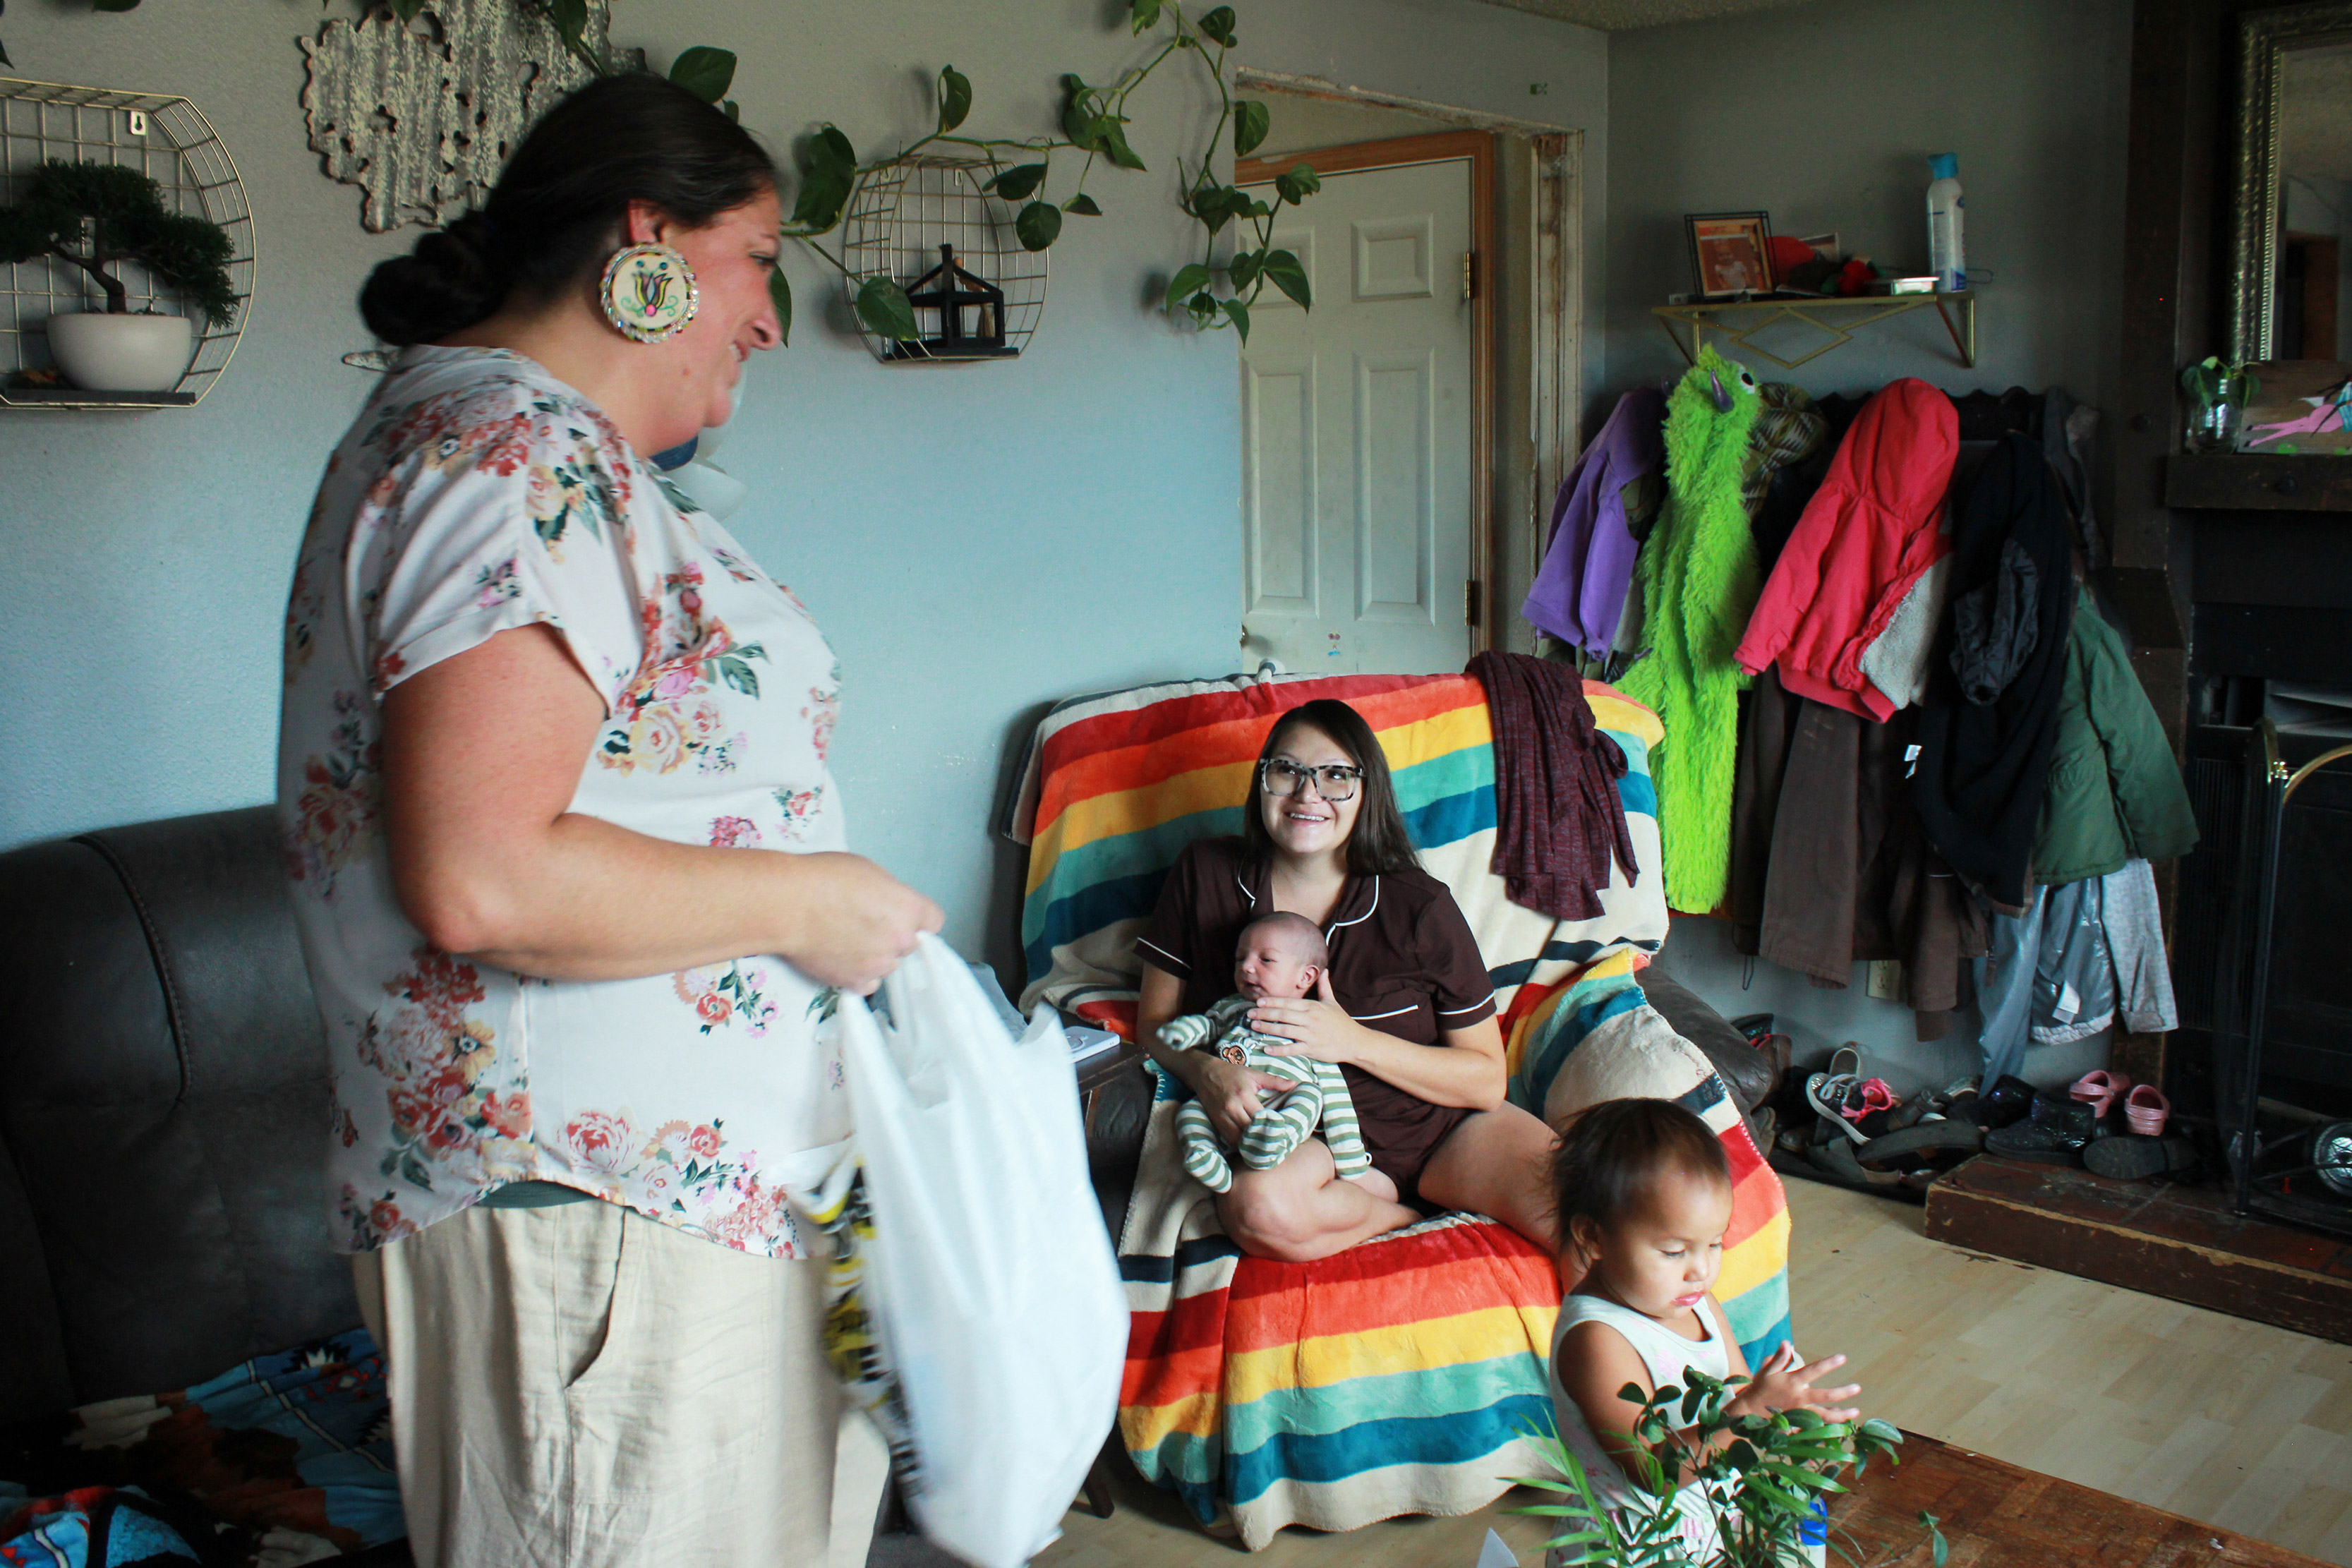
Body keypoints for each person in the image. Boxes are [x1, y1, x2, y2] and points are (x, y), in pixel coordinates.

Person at [277, 73, 940, 1568]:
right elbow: (485, 873)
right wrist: (808, 900)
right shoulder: (513, 458)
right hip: (594, 1225)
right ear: (649, 243)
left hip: (644, 1218)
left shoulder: (506, 446)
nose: (770, 321)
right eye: (759, 259)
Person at [1135, 697, 1558, 1260]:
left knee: (1598, 1219)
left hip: (1443, 1133)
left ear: (1367, 791)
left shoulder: (1418, 904)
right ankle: (1409, 1218)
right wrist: (1209, 1073)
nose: (1308, 794)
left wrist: (1352, 1041)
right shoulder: (1204, 872)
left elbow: (1484, 1081)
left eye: (1336, 775)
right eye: (1287, 770)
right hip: (1310, 1141)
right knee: (1257, 1210)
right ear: (1261, 781)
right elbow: (1154, 1023)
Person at [1545, 1099, 1860, 1560]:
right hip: (1637, 1548)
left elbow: (1733, 1396)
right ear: (1593, 1237)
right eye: (1673, 1251)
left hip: (1713, 1531)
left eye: (1713, 1244)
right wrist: (1753, 1409)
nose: (1700, 1270)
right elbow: (1653, 1470)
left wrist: (1787, 1418)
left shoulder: (1697, 1302)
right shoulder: (1597, 1339)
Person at [1161, 912, 1371, 1194]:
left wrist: (1351, 1161)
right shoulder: (1232, 1007)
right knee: (1189, 1112)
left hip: (1280, 1104)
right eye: (1240, 959)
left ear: (1305, 976)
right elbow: (1210, 1026)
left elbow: (1335, 1094)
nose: (1247, 967)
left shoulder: (1313, 1026)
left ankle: (1273, 1142)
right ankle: (1206, 1157)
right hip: (1225, 1099)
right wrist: (1186, 1032)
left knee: (1311, 1096)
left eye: (1266, 960)